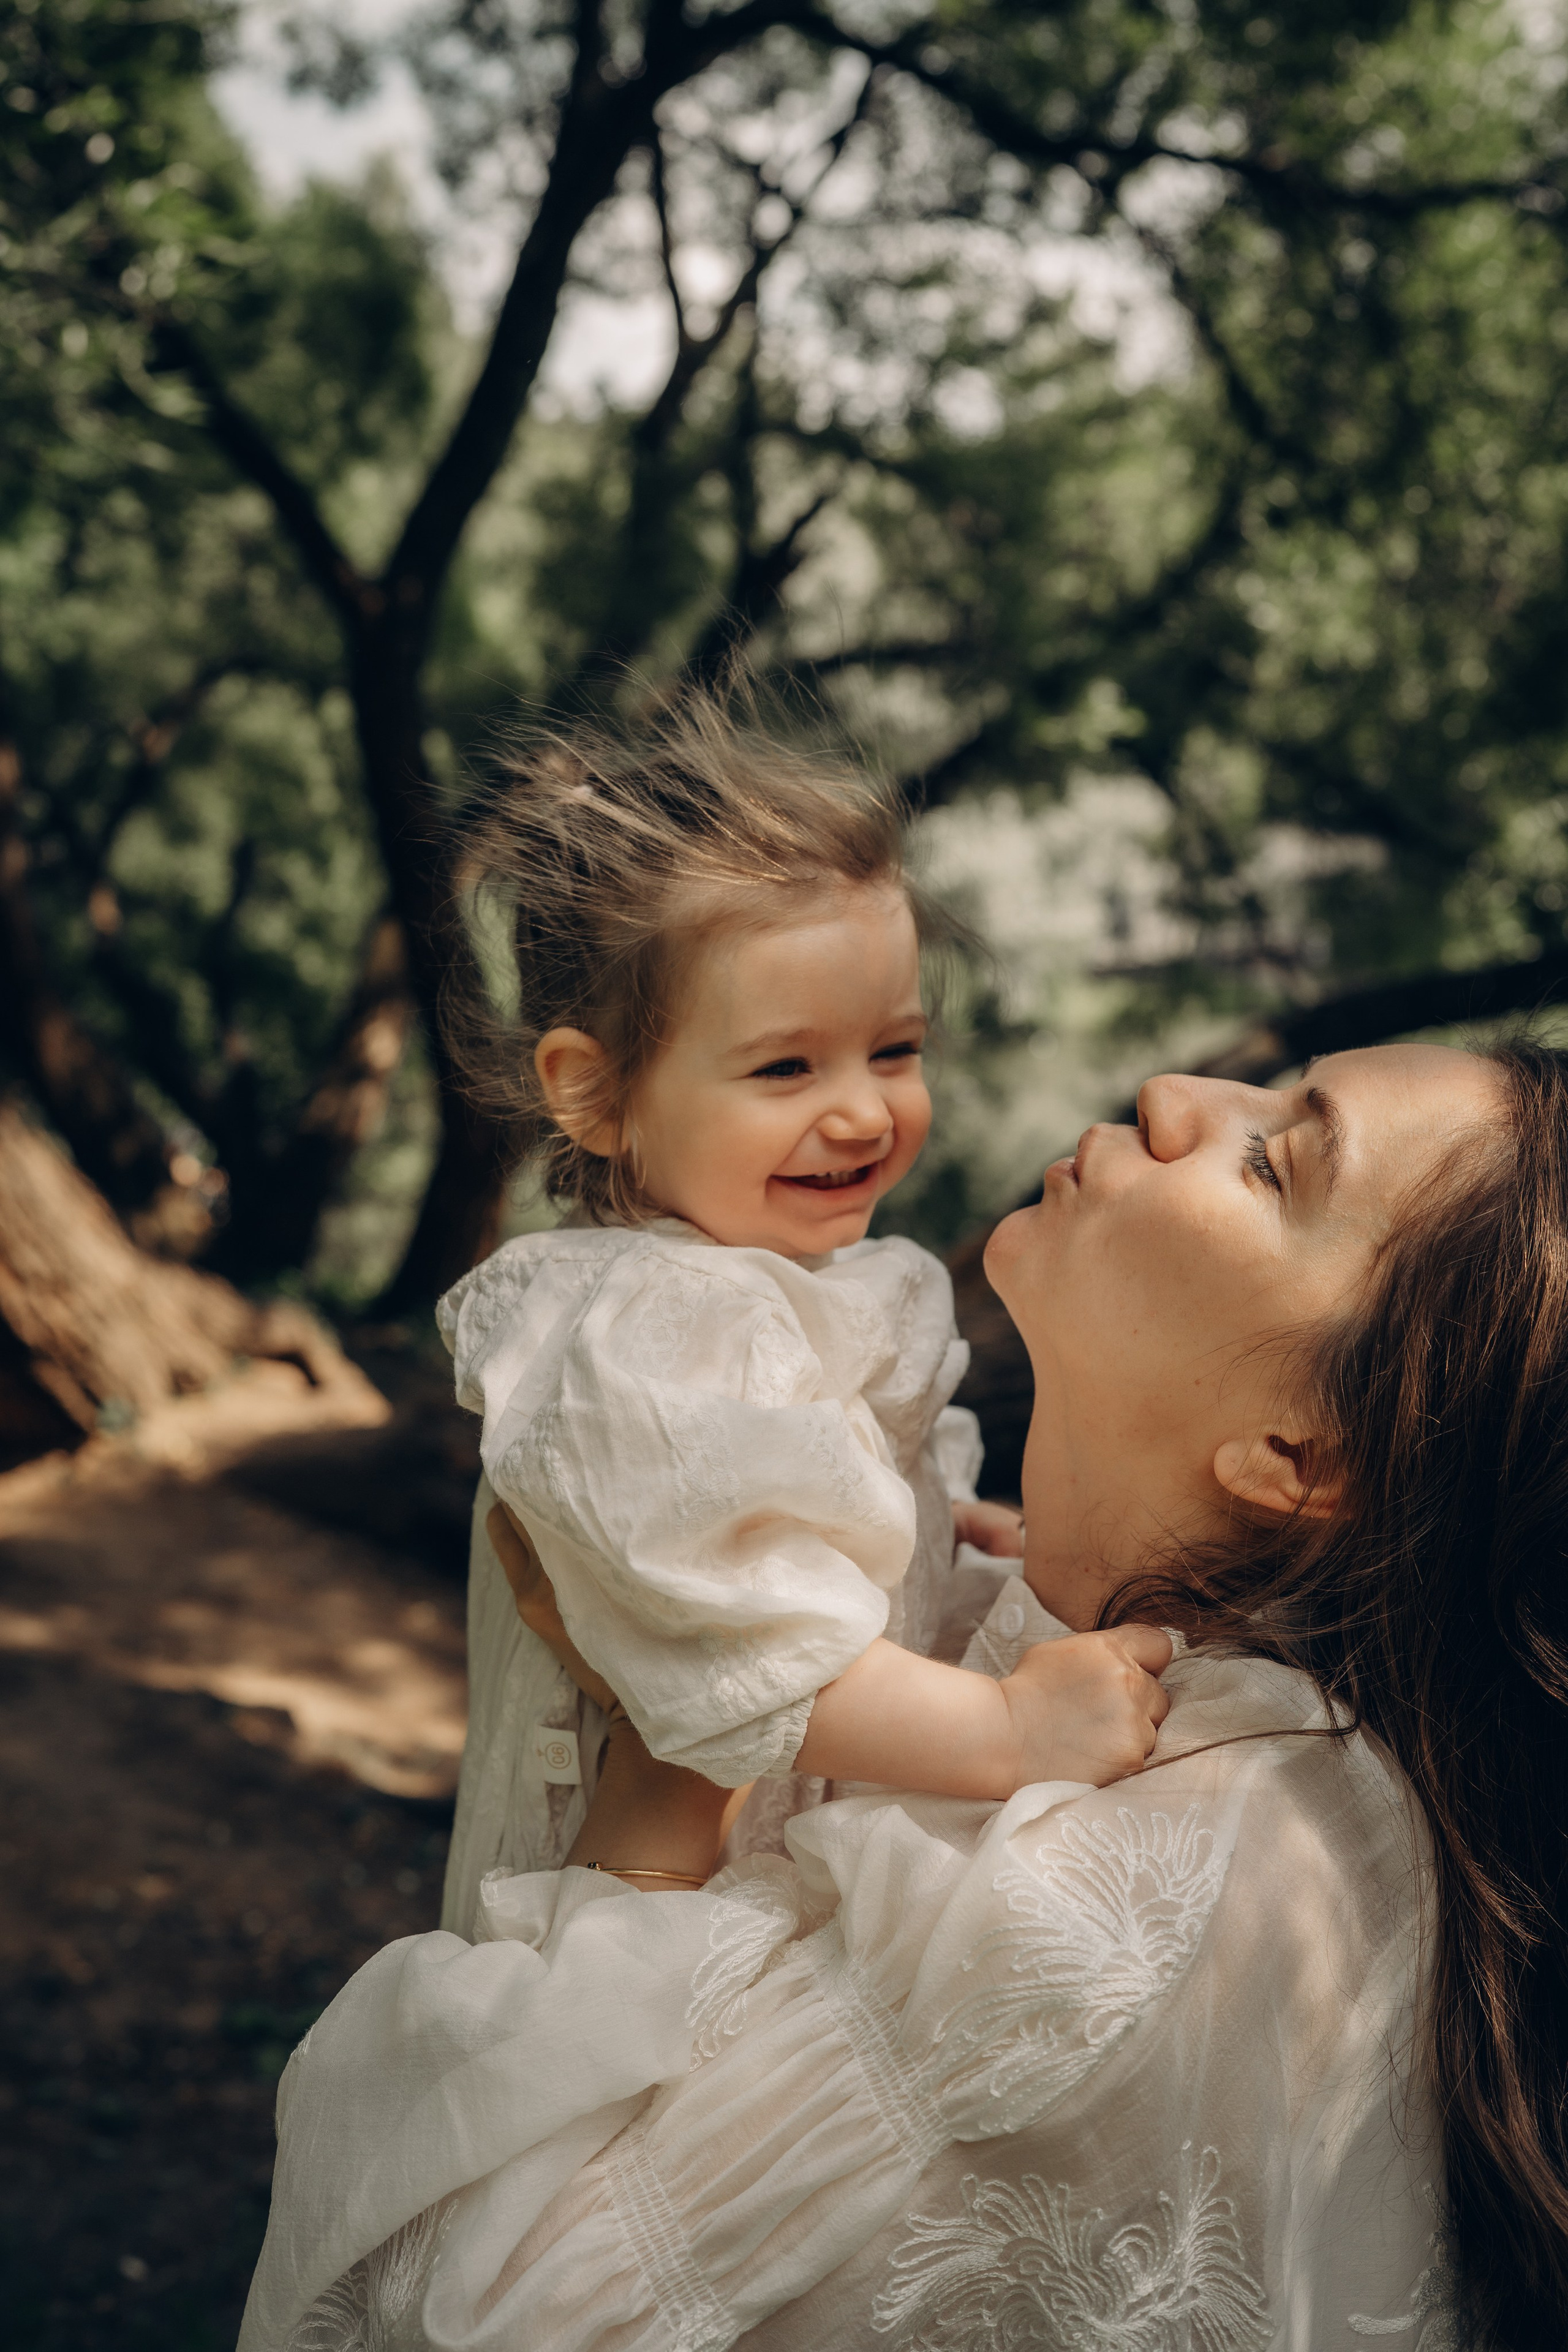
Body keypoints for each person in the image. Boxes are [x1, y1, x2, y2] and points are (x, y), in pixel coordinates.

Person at [238, 1036, 1568, 2352]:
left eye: (1274, 1162)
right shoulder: (1006, 1622)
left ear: (1292, 1451)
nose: (1172, 1097)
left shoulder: (1152, 1890)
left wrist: (693, 1729)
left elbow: (462, 2311)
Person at [429, 690, 1167, 1921]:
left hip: (773, 1840)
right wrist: (1002, 1729)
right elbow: (748, 1654)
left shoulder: (793, 1284)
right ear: (595, 1093)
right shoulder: (643, 1335)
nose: (865, 1113)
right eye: (786, 1067)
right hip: (648, 1897)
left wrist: (928, 1528)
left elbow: (807, 1518)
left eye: (893, 1050)